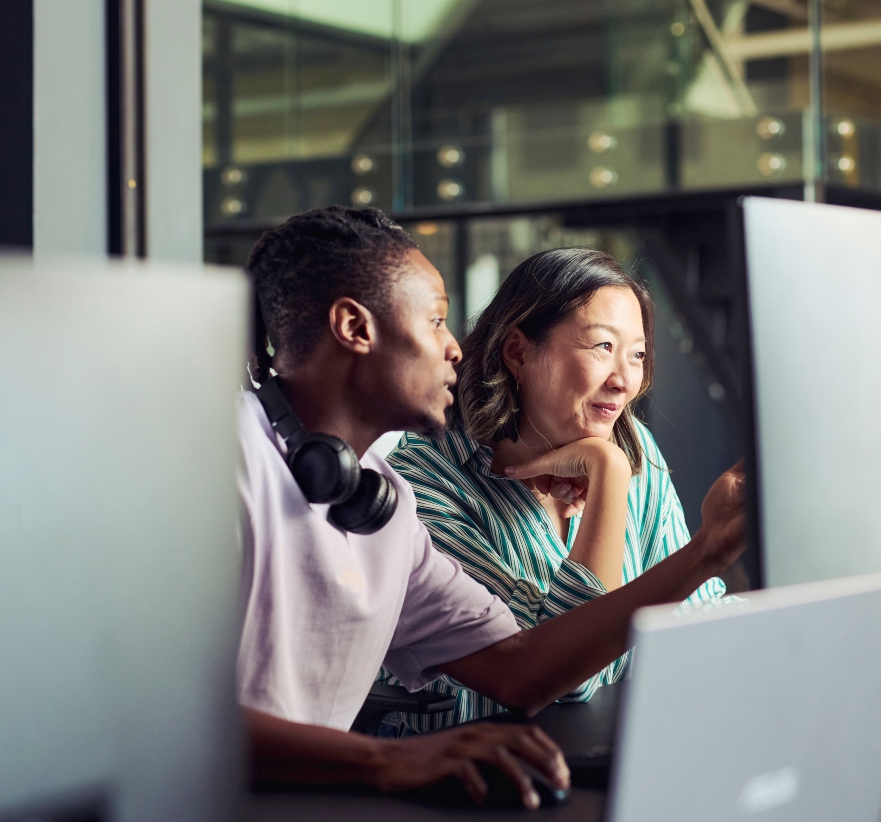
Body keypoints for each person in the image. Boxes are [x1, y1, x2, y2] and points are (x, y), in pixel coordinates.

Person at [237, 206, 751, 809]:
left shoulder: (379, 501)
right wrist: (387, 757)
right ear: (355, 327)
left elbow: (520, 669)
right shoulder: (226, 461)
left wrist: (710, 552)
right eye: (435, 322)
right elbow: (149, 707)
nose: (455, 348)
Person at [382, 247, 881, 732]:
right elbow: (569, 680)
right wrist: (607, 477)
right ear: (519, 352)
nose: (625, 380)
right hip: (468, 785)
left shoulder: (634, 447)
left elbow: (690, 622)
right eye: (602, 347)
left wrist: (838, 647)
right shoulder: (428, 483)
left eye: (637, 355)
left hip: (602, 755)